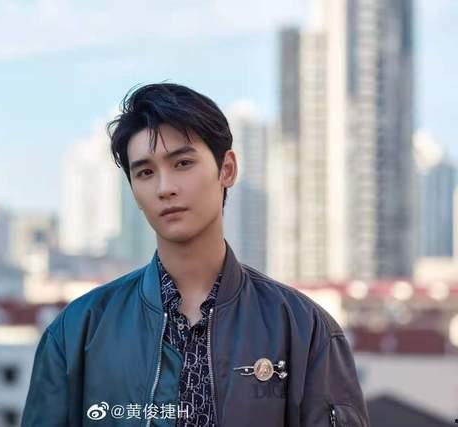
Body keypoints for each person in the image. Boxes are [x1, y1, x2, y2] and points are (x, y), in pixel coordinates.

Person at [21, 83, 369, 426]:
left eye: (183, 163)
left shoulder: (304, 329)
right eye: (145, 172)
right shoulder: (77, 332)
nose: (165, 188)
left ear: (227, 169)